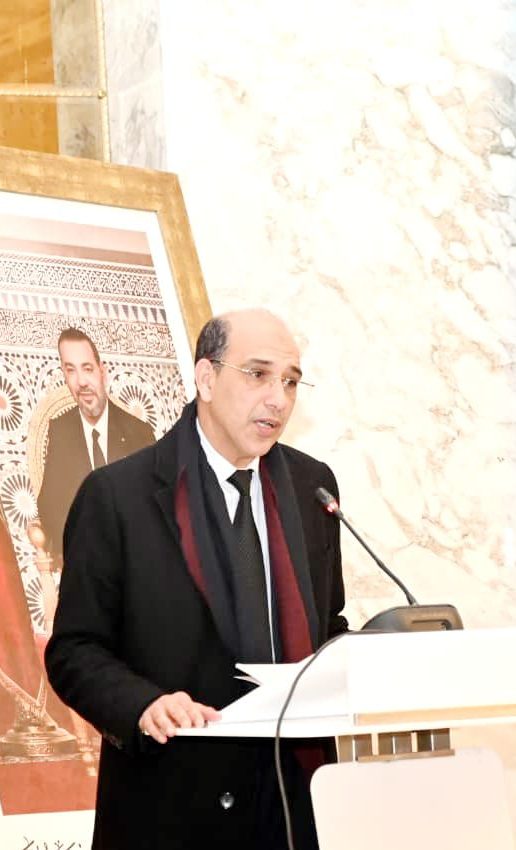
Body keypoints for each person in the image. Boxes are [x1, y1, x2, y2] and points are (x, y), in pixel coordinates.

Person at [45, 309, 348, 850]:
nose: (278, 399)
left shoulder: (313, 488)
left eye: (290, 381)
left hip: (294, 807)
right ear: (206, 379)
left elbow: (329, 624)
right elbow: (74, 650)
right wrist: (142, 705)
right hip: (173, 805)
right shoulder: (117, 497)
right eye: (258, 374)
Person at [37, 327, 155, 557]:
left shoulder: (139, 433)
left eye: (87, 369)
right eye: (71, 370)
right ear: (64, 376)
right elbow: (49, 506)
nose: (81, 381)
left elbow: (155, 509)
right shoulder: (60, 431)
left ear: (103, 372)